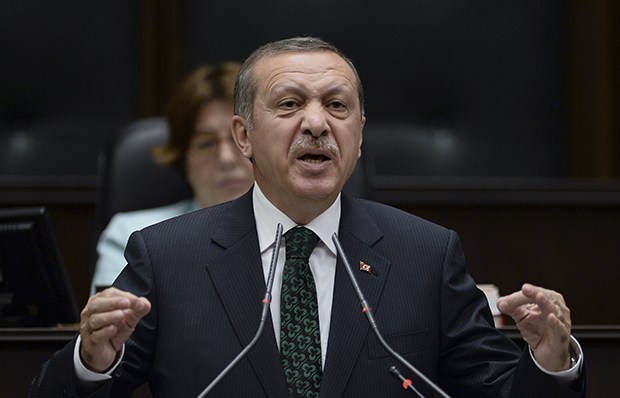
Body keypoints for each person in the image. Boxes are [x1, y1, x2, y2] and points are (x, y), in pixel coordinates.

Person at [30, 37, 585, 398]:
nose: (317, 124)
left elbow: (501, 392)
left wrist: (549, 363)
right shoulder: (167, 255)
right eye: (290, 104)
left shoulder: (426, 253)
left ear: (360, 137)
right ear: (244, 136)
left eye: (337, 107)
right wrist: (91, 361)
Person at [90, 62, 255, 294]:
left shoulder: (298, 231)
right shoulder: (132, 236)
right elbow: (113, 328)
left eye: (240, 138)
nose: (226, 159)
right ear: (182, 157)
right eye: (205, 143)